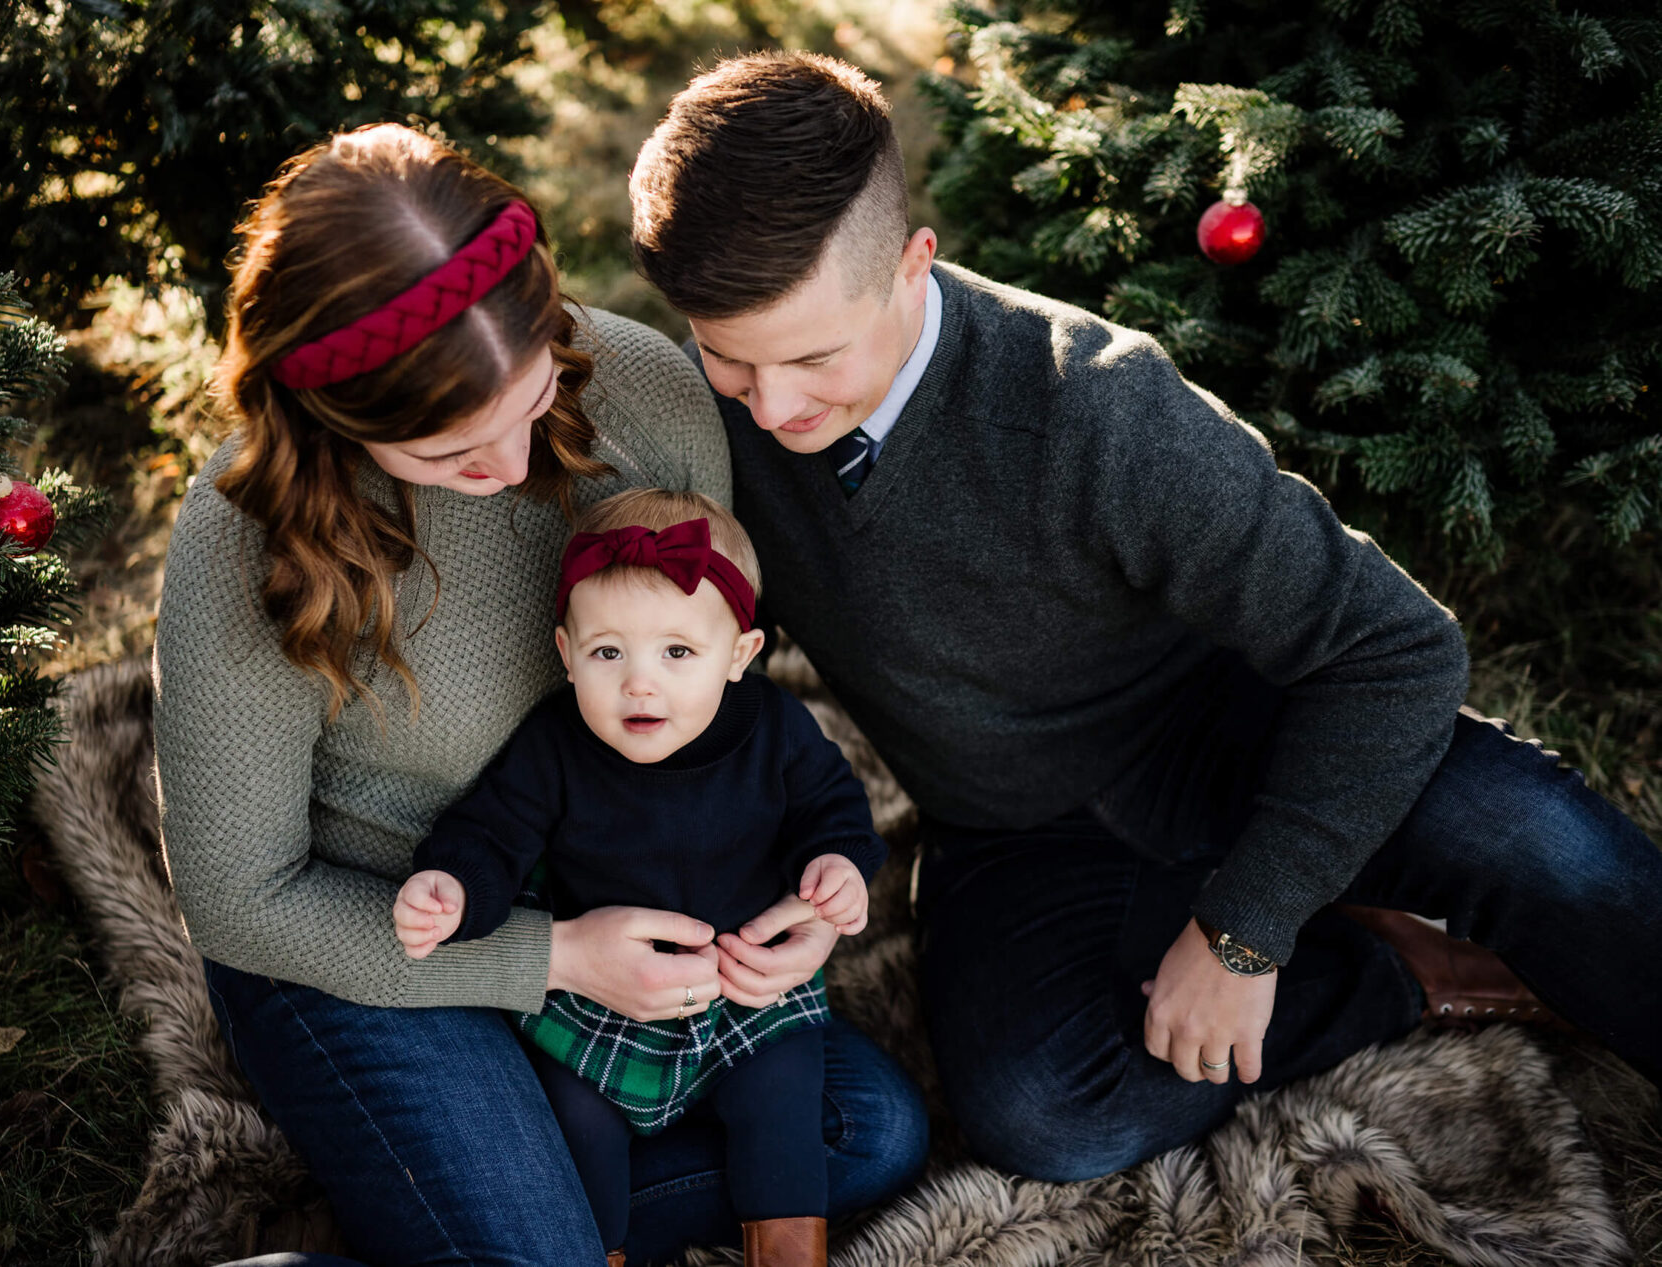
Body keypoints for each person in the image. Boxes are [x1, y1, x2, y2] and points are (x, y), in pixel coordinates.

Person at [625, 51, 1662, 1182]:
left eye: (813, 357)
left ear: (914, 265)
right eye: (729, 358)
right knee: (1046, 1113)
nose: (771, 409)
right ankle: (1396, 969)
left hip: (1236, 739)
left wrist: (1242, 927)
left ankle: (1299, 905)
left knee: (1539, 841)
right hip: (1013, 830)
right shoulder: (698, 421)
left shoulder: (1101, 406)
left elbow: (1396, 651)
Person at [151, 122, 926, 1267]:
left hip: (626, 873)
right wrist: (547, 958)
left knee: (863, 1132)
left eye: (532, 400)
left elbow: (712, 679)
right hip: (380, 942)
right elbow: (240, 899)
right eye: (452, 454)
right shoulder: (247, 539)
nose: (513, 473)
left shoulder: (648, 396)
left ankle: (482, 1218)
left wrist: (802, 906)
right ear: (334, 421)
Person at [396, 489, 884, 1267]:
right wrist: (454, 887)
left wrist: (837, 869)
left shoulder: (776, 729)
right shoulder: (555, 745)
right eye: (607, 652)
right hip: (601, 992)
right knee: (578, 1126)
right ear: (565, 653)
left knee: (784, 1102)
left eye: (677, 653)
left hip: (740, 987)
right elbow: (492, 829)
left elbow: (835, 810)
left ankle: (788, 1252)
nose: (639, 684)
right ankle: (599, 1249)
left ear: (740, 655)